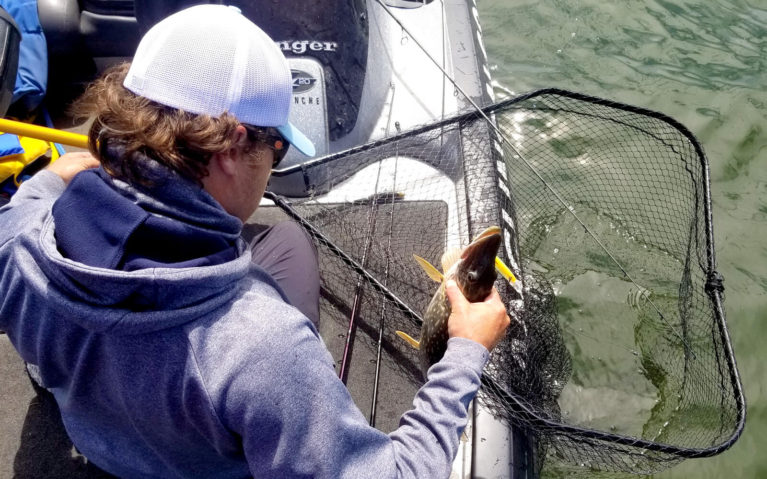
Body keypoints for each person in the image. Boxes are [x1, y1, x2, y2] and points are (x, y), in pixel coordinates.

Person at [0, 4, 511, 478]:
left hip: (105, 437)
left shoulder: (21, 241)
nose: (274, 167)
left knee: (283, 240)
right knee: (289, 252)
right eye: (278, 146)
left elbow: (33, 196)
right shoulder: (261, 347)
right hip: (211, 450)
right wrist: (465, 351)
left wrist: (52, 179)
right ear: (232, 147)